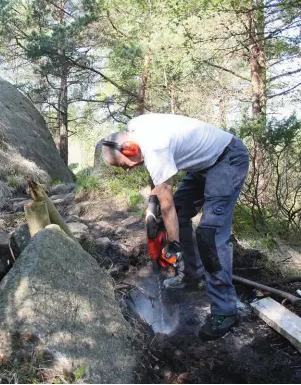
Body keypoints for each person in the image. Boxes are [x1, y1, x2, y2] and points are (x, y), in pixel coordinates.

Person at [99, 113, 249, 340]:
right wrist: (152, 208)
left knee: (210, 234)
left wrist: (174, 243)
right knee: (179, 215)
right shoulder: (135, 128)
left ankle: (225, 311)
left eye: (123, 165)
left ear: (129, 148)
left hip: (227, 160)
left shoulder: (154, 147)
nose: (127, 170)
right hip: (203, 166)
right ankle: (192, 273)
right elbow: (157, 183)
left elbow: (168, 206)